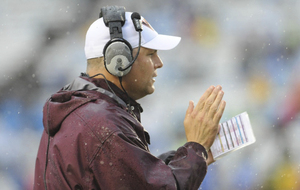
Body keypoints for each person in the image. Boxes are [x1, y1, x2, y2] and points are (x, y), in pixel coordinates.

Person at [33, 6, 226, 190]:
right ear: (119, 61)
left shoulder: (86, 113)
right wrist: (195, 148)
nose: (159, 63)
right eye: (151, 54)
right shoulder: (102, 126)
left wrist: (188, 158)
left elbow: (132, 178)